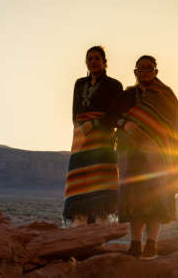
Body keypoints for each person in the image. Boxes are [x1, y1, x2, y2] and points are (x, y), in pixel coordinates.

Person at [108, 55, 178, 259]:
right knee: (135, 198)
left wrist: (177, 164)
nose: (144, 71)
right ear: (135, 72)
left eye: (149, 68)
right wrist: (126, 124)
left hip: (159, 155)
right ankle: (135, 244)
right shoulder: (127, 95)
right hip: (131, 155)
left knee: (156, 198)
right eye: (140, 68)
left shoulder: (166, 96)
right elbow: (110, 116)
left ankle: (151, 244)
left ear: (156, 71)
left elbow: (175, 129)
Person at [63, 46, 123, 227]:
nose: (93, 61)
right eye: (89, 59)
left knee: (101, 178)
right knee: (80, 178)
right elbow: (75, 113)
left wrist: (94, 124)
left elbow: (116, 113)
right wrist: (79, 130)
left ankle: (99, 224)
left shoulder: (114, 85)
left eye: (97, 58)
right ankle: (78, 222)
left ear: (105, 62)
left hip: (103, 138)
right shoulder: (79, 84)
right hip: (81, 138)